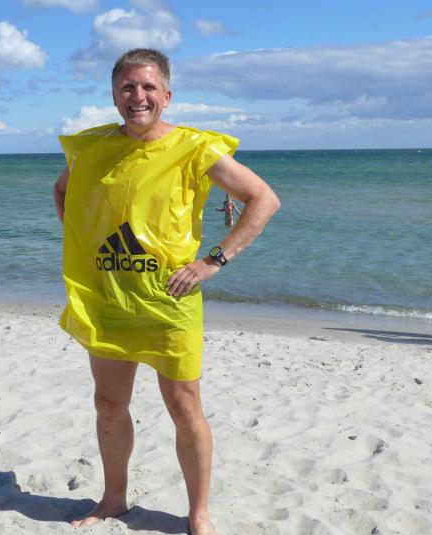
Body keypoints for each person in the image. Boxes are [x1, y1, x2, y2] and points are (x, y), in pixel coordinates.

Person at [52, 48, 280, 535]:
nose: (138, 96)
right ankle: (114, 499)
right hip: (108, 299)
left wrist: (213, 260)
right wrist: (86, 245)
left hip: (170, 301)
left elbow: (263, 199)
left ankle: (199, 514)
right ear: (114, 96)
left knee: (184, 407)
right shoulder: (90, 148)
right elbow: (63, 191)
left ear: (167, 95)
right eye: (128, 87)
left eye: (148, 87)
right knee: (108, 404)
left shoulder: (194, 147)